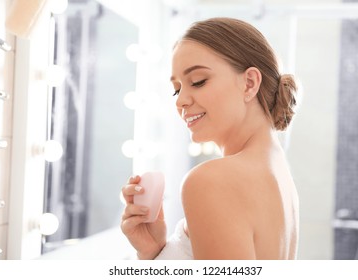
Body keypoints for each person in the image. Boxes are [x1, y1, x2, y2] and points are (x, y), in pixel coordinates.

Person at [121, 17, 299, 260]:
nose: (180, 100)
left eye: (198, 81)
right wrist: (153, 250)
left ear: (249, 83)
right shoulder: (281, 176)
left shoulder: (210, 181)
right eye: (177, 88)